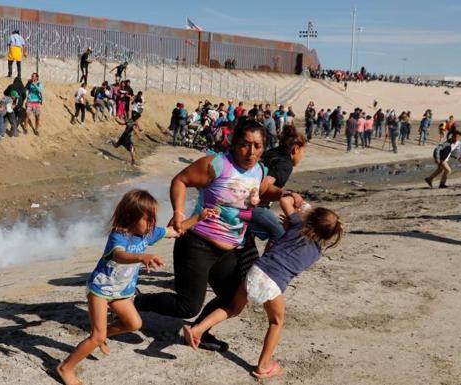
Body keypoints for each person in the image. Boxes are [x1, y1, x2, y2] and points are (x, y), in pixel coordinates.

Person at [134, 119, 304, 352]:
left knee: (233, 298)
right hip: (197, 243)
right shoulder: (217, 164)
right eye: (245, 145)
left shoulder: (259, 170)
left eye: (257, 146)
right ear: (235, 144)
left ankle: (200, 332)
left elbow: (264, 191)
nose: (251, 152)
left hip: (229, 249)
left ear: (263, 148)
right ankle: (136, 301)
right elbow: (181, 181)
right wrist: (179, 213)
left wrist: (285, 192)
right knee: (187, 306)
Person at [56, 189, 218, 385]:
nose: (151, 225)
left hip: (121, 292)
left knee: (134, 324)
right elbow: (118, 255)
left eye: (153, 219)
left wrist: (199, 218)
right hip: (100, 289)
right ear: (129, 217)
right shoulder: (119, 235)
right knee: (97, 336)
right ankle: (65, 368)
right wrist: (142, 257)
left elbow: (175, 231)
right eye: (147, 219)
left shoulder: (148, 234)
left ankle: (102, 335)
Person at [183, 197, 343, 379]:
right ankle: (263, 366)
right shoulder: (316, 252)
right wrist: (298, 221)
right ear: (329, 236)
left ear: (309, 218)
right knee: (276, 322)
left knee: (233, 308)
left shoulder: (297, 225)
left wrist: (300, 204)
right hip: (273, 283)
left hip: (256, 270)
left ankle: (197, 329)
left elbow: (284, 200)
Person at [249, 125, 307, 243]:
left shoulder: (271, 152)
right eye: (302, 152)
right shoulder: (285, 164)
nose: (301, 156)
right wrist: (287, 194)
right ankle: (267, 262)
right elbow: (264, 184)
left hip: (240, 197)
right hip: (254, 205)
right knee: (281, 235)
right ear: (295, 149)